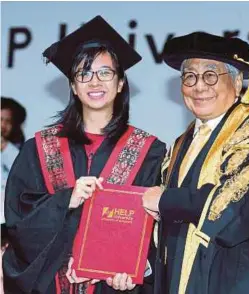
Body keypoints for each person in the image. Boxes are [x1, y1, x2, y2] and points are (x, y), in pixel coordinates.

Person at [3, 15, 166, 294]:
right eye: (83, 73)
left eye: (105, 72)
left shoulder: (150, 151)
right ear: (73, 86)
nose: (94, 81)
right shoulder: (39, 149)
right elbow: (18, 225)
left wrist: (141, 269)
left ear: (120, 83)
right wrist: (66, 200)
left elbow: (159, 234)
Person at [142, 32, 249, 294]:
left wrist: (165, 201)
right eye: (189, 76)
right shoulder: (179, 145)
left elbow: (233, 206)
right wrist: (139, 266)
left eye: (210, 75)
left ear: (238, 81)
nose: (199, 86)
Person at [1, 97, 26, 247]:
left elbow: (20, 173)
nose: (3, 125)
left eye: (8, 121)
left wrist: (4, 146)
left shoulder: (16, 150)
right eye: (0, 119)